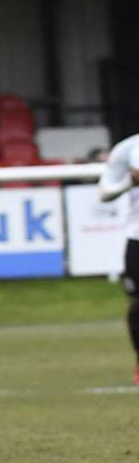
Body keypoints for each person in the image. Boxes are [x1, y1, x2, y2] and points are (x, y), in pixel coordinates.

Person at [97, 132, 139, 385]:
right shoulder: (128, 148)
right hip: (138, 237)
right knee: (137, 304)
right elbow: (104, 193)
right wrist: (129, 184)